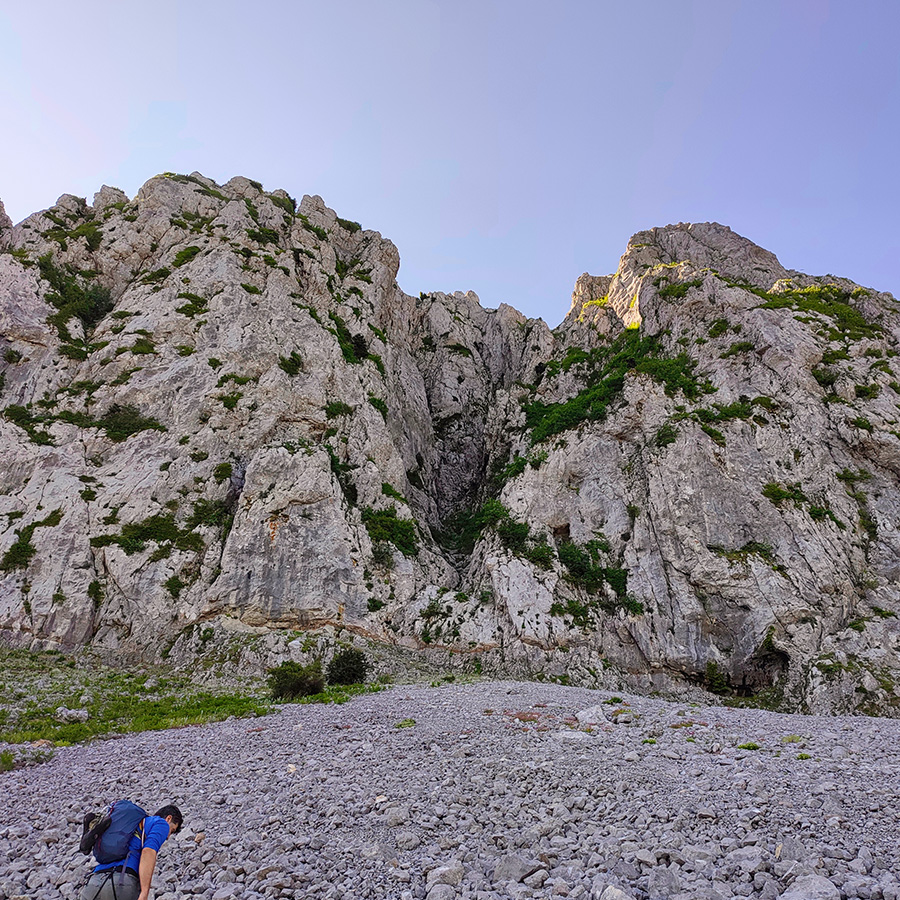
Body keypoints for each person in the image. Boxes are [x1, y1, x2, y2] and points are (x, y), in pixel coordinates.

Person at [80, 805, 183, 900]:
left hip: (93, 883)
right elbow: (148, 851)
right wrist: (144, 892)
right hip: (122, 882)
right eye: (172, 830)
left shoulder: (128, 825)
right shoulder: (160, 823)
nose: (168, 837)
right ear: (168, 818)